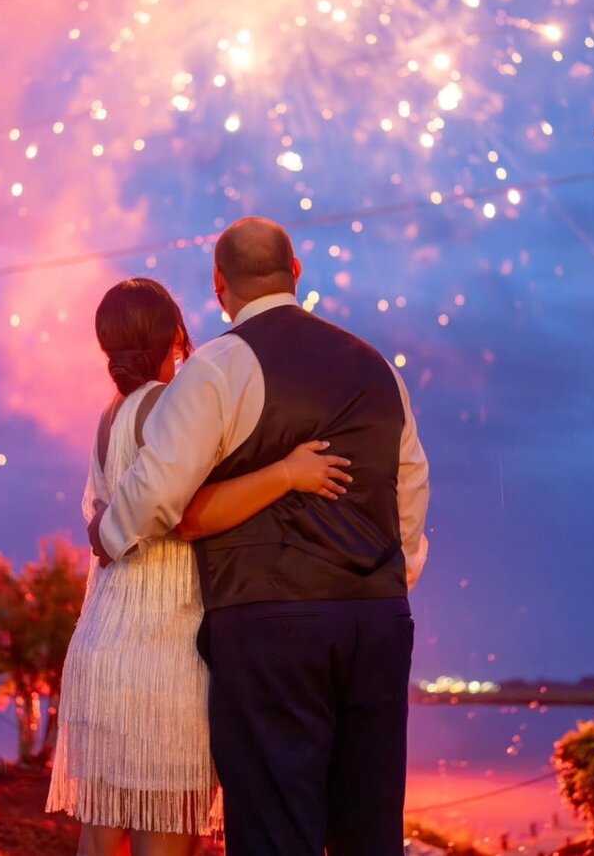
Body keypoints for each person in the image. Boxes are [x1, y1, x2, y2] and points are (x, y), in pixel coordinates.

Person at [88, 218, 430, 856]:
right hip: (378, 619)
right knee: (370, 825)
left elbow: (161, 490)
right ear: (296, 271)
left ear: (220, 285)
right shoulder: (375, 365)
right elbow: (409, 484)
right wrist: (393, 577)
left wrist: (108, 532)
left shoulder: (217, 367)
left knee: (276, 827)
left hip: (268, 621)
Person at [47, 277, 351, 856]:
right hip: (166, 652)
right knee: (166, 840)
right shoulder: (172, 404)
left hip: (101, 647)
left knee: (100, 838)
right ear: (175, 334)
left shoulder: (108, 416)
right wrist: (287, 473)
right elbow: (189, 513)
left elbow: (105, 521)